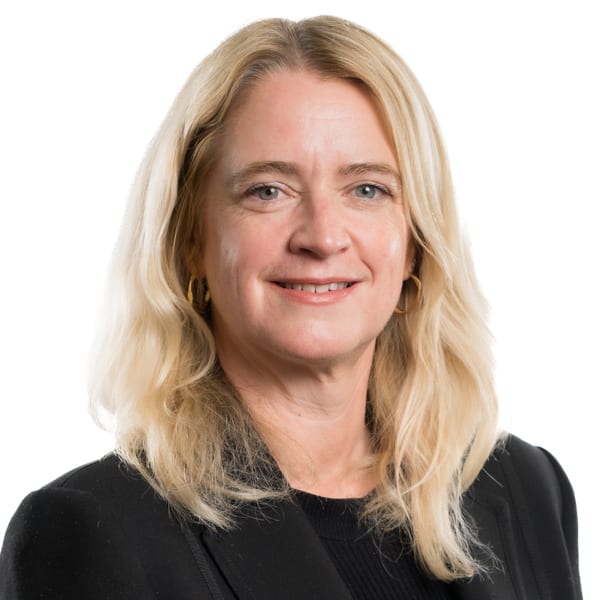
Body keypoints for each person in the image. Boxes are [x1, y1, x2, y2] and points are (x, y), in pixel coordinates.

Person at [0, 16, 582, 600]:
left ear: (415, 244)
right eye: (268, 190)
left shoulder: (526, 490)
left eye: (368, 189)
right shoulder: (90, 531)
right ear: (190, 238)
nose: (323, 237)